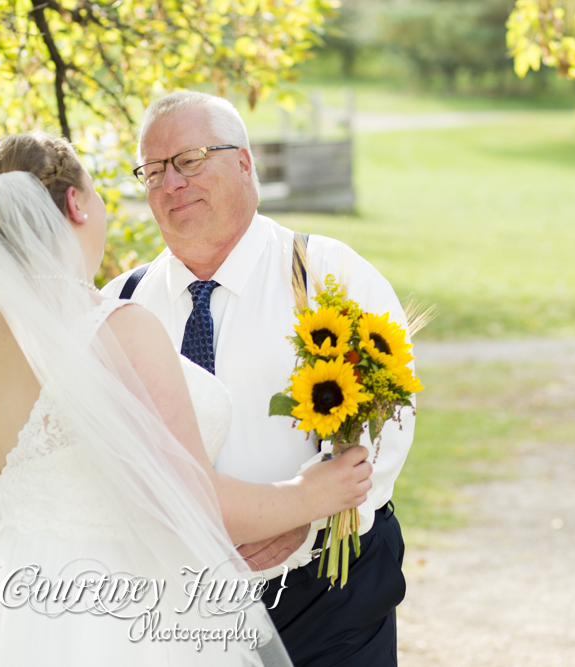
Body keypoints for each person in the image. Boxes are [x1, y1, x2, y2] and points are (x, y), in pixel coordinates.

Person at [0, 131, 374, 666]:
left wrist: (11, 617)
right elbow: (189, 501)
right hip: (128, 619)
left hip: (12, 612)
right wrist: (310, 494)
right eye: (94, 195)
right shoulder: (115, 327)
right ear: (76, 203)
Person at [102, 92, 415, 667]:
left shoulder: (326, 274)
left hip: (327, 586)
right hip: (177, 602)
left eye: (190, 160)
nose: (171, 183)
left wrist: (306, 513)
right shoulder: (119, 305)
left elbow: (390, 419)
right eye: (153, 170)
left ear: (245, 163)